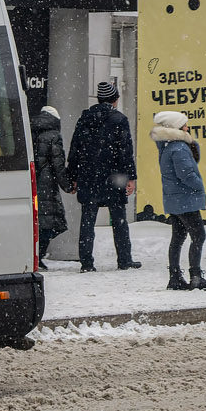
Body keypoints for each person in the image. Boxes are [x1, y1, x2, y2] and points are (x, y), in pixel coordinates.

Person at [66, 80, 140, 272]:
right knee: (119, 220)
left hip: (88, 177)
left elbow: (75, 150)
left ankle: (86, 263)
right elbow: (125, 152)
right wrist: (130, 178)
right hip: (113, 178)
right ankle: (124, 259)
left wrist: (72, 176)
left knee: (87, 221)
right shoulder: (119, 120)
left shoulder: (84, 119)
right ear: (115, 100)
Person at [151, 110, 206, 291]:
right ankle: (195, 277)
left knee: (178, 237)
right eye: (185, 125)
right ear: (177, 128)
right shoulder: (179, 148)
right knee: (199, 235)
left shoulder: (166, 146)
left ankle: (175, 277)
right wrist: (200, 185)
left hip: (175, 199)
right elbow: (186, 174)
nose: (188, 127)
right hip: (185, 199)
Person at [31, 105, 70, 269]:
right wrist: (67, 185)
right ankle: (39, 256)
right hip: (47, 185)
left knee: (37, 222)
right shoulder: (54, 135)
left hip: (32, 184)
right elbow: (58, 165)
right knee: (49, 223)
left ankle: (35, 255)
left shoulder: (30, 130)